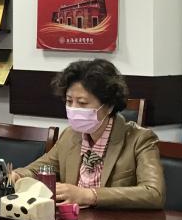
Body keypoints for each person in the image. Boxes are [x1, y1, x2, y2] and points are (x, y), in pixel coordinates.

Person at [13, 59, 164, 209]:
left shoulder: (139, 140)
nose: (73, 108)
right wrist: (17, 176)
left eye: (82, 103)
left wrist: (89, 195)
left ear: (109, 106)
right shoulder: (70, 135)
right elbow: (36, 170)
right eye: (69, 101)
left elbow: (154, 193)